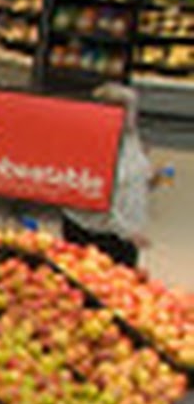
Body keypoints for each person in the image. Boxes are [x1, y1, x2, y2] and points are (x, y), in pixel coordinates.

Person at [61, 82, 171, 267]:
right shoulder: (94, 144)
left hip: (123, 233)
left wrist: (150, 180)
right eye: (130, 111)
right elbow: (97, 199)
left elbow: (128, 179)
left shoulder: (129, 138)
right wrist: (127, 232)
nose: (134, 117)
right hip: (98, 235)